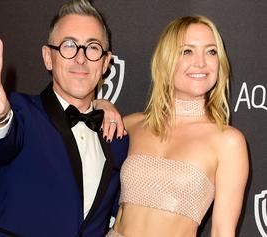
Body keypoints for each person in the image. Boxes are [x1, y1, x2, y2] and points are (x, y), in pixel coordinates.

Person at [0, 0, 128, 236]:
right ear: (48, 57)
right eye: (69, 45)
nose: (81, 58)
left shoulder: (117, 136)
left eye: (93, 47)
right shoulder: (21, 112)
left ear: (106, 62)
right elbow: (2, 140)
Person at [101, 15, 249, 237]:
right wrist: (99, 103)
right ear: (166, 60)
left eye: (211, 51)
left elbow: (222, 231)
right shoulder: (132, 124)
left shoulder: (228, 141)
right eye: (187, 51)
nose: (201, 62)